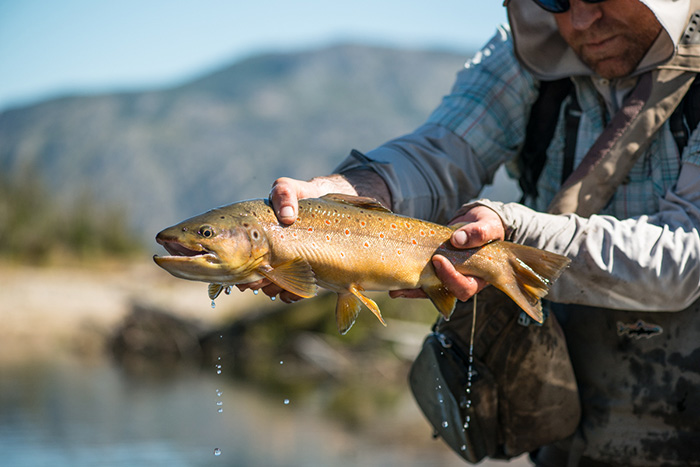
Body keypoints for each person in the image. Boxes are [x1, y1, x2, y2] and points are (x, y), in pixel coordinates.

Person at [242, 0, 700, 465]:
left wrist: (513, 231)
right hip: (564, 416)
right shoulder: (526, 51)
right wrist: (336, 195)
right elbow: (441, 151)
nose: (580, 20)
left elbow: (686, 258)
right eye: (554, 1)